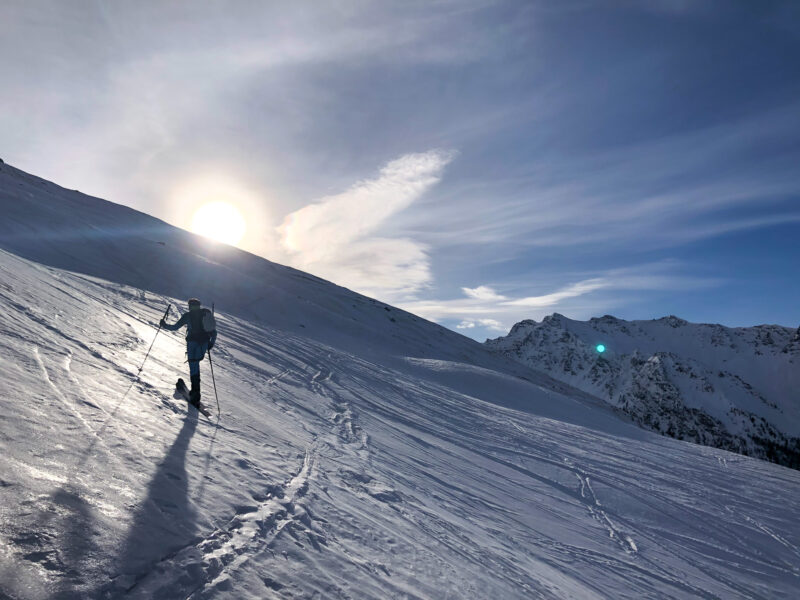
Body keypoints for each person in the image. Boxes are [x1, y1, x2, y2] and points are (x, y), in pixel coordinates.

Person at [160, 298, 217, 405]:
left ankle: (195, 394)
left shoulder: (187, 316)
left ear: (190, 306)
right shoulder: (205, 314)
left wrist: (164, 324)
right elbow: (214, 333)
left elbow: (175, 327)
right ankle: (196, 393)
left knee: (193, 367)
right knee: (196, 366)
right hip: (203, 344)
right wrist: (210, 344)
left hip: (192, 344)